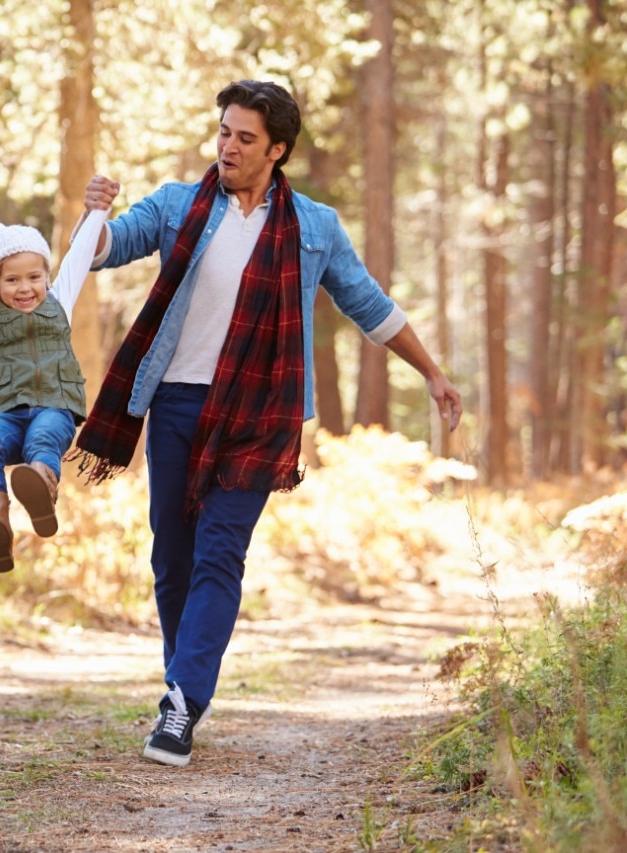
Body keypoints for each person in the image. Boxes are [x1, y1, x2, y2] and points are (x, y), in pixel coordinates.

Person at [71, 80, 462, 768]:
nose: (228, 146)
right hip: (178, 402)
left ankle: (182, 706)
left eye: (245, 138)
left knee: (222, 552)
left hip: (262, 409)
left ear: (277, 150)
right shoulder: (175, 205)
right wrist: (92, 217)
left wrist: (431, 373)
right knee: (174, 554)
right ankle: (180, 686)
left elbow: (369, 303)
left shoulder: (313, 226)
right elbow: (107, 248)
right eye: (224, 131)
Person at [0, 186, 117, 572]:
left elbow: (79, 258)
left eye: (34, 277)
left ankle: (41, 486)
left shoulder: (58, 300)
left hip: (54, 404)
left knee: (44, 435)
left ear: (47, 275)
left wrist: (97, 210)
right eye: (12, 280)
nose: (25, 287)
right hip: (6, 413)